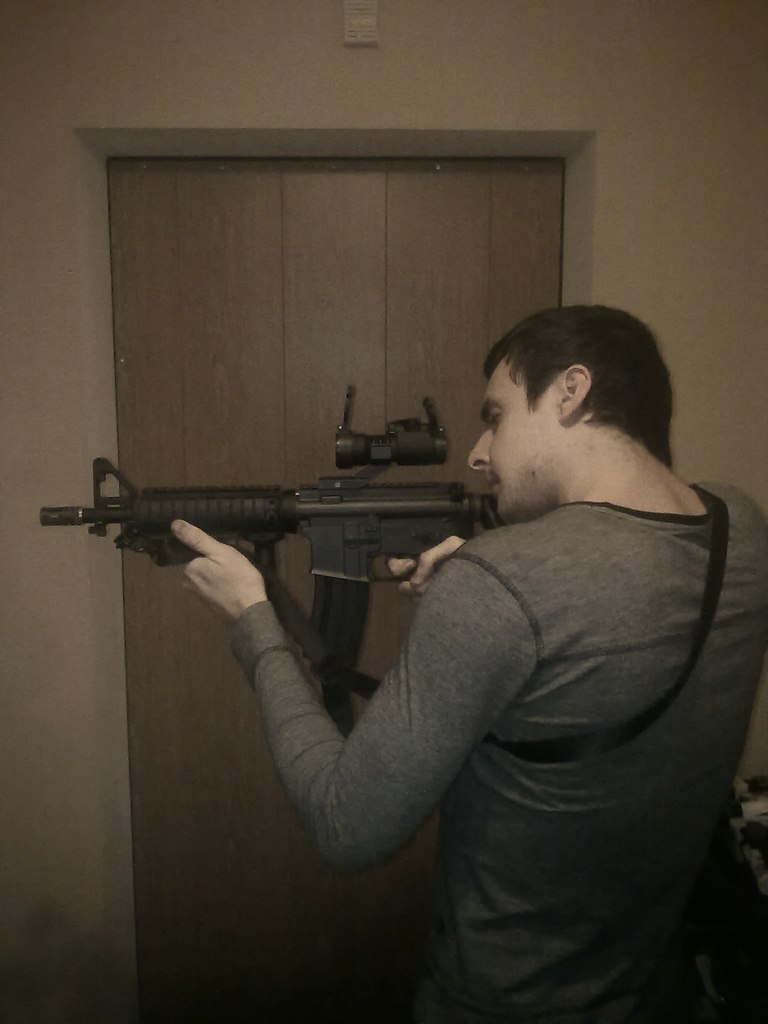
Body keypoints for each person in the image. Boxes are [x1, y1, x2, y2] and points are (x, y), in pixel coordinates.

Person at [171, 305, 768, 1023]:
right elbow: (607, 611)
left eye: (497, 416)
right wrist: (492, 594)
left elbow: (343, 825)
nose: (480, 453)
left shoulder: (499, 583)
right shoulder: (742, 529)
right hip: (656, 993)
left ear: (571, 391)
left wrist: (254, 619)